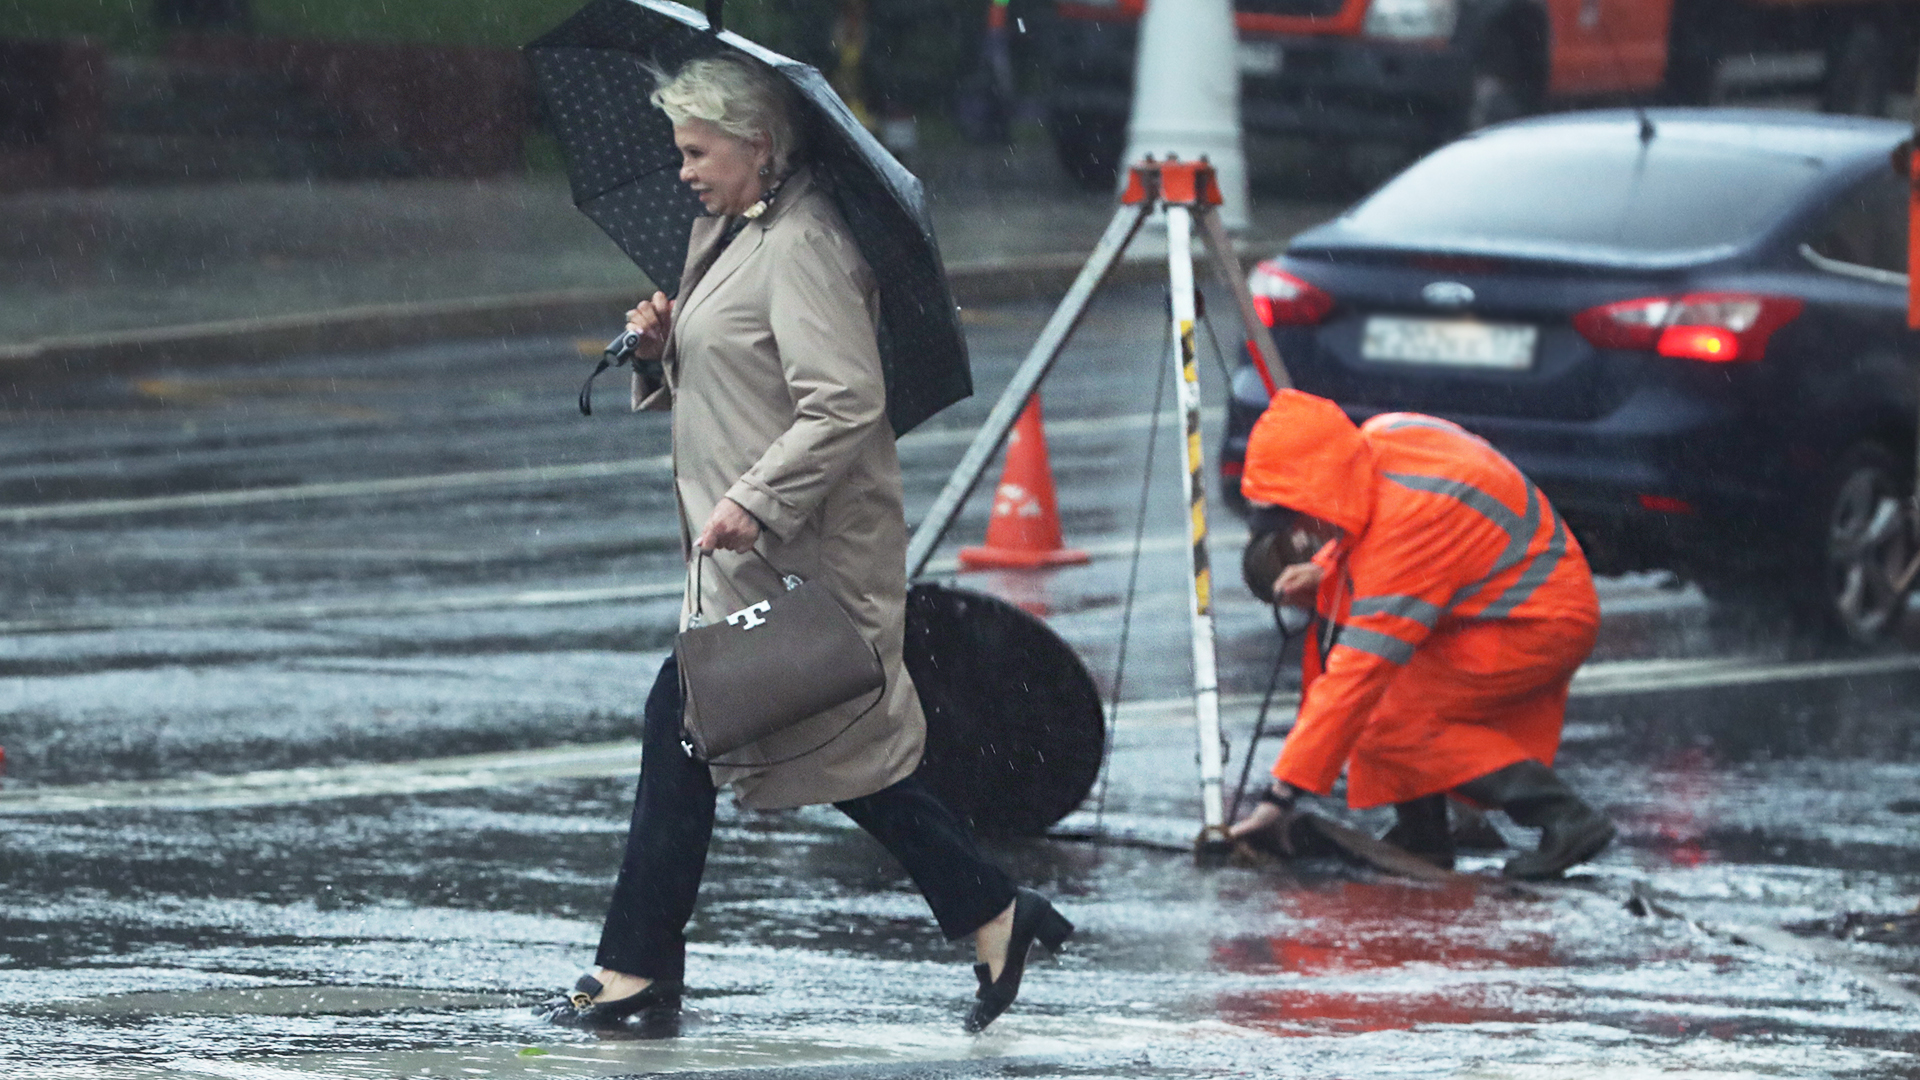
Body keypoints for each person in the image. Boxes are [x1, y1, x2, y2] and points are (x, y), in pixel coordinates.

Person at [539, 55, 1069, 1034]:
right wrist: (661, 353)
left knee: (701, 724)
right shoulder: (733, 232)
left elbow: (846, 404)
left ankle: (636, 970)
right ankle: (993, 912)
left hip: (801, 554)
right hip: (750, 549)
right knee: (835, 758)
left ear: (760, 145)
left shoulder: (807, 243)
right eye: (678, 150)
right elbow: (739, 375)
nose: (685, 169)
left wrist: (754, 500)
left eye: (699, 151)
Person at [1226, 389, 1614, 880]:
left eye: (1297, 517)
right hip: (1501, 604)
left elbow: (1355, 678)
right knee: (1389, 709)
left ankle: (1566, 819)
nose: (1301, 531)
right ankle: (1423, 836)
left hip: (1535, 623)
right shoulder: (1378, 440)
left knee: (1388, 718)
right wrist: (1328, 571)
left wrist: (1276, 801)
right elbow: (1385, 533)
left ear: (1319, 493)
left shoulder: (1407, 526)